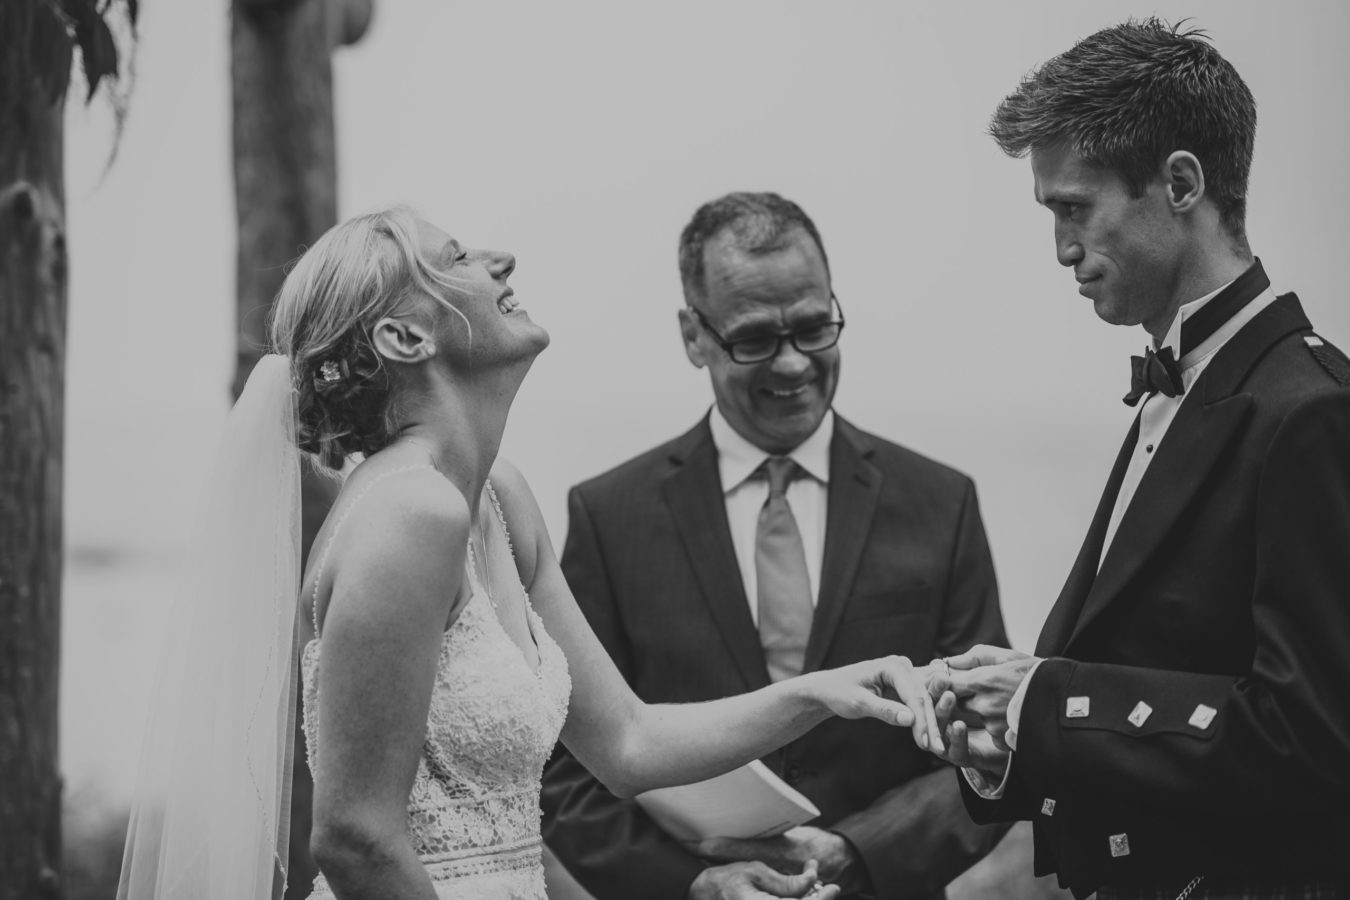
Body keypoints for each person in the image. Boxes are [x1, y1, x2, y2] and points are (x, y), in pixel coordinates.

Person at [114, 205, 949, 900]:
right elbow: (356, 839)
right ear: (407, 339)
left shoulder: (500, 497)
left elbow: (628, 742)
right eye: (458, 257)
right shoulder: (410, 515)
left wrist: (820, 693)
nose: (500, 259)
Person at [922, 19, 1350, 900]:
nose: (1061, 250)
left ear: (1181, 183)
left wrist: (1049, 699)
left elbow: (1315, 737)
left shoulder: (1312, 411)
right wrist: (1008, 729)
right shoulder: (1192, 384)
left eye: (1074, 209)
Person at [541, 191, 1010, 900]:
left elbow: (988, 743)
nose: (793, 365)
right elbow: (569, 774)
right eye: (755, 339)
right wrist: (694, 884)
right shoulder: (610, 517)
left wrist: (856, 851)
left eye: (815, 328)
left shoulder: (941, 503)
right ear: (693, 335)